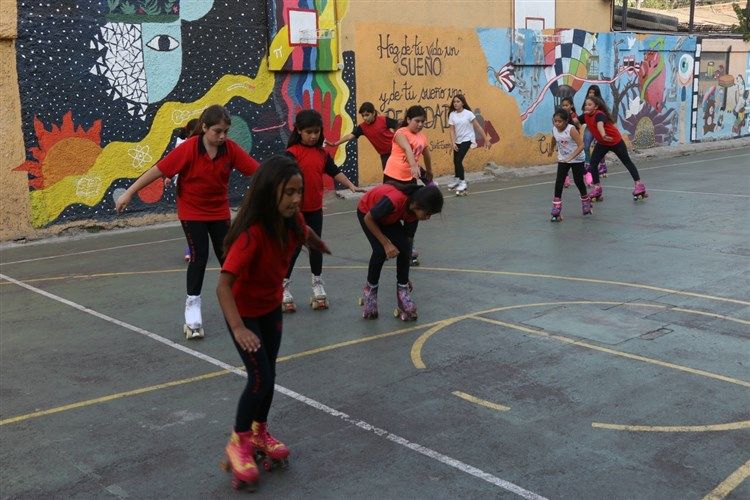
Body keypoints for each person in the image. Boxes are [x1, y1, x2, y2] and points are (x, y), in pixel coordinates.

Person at [216, 155, 331, 490]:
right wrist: (238, 328)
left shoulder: (293, 222)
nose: (296, 199)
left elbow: (305, 231)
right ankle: (238, 442)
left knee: (270, 375)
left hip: (270, 308)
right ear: (270, 192)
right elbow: (223, 286)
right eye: (289, 193)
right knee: (259, 378)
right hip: (244, 312)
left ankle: (259, 431)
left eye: (299, 192)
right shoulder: (251, 235)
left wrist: (318, 244)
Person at [115, 105, 259, 339]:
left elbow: (257, 171)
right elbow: (157, 171)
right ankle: (192, 308)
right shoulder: (189, 148)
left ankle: (241, 305)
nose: (222, 136)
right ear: (205, 127)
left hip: (218, 212)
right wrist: (129, 192)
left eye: (226, 131)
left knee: (228, 257)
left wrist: (280, 182)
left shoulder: (230, 150)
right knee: (199, 257)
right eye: (217, 131)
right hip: (192, 212)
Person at [283, 109, 365, 312]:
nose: (313, 136)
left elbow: (334, 171)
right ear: (299, 130)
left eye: (317, 132)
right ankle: (283, 286)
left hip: (314, 210)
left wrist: (351, 186)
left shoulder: (322, 154)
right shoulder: (292, 154)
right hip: (295, 211)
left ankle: (317, 283)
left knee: (315, 246)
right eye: (309, 132)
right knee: (293, 248)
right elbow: (282, 180)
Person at [357, 183, 443, 321]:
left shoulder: (413, 214)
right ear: (417, 205)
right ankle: (370, 294)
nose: (428, 218)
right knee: (380, 251)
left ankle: (402, 294)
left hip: (389, 217)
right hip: (368, 213)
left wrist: (404, 276)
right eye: (428, 213)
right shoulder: (396, 199)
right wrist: (386, 244)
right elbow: (369, 218)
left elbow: (407, 245)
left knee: (405, 246)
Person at [383, 105, 434, 266]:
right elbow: (407, 149)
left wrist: (429, 172)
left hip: (410, 180)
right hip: (393, 178)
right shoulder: (400, 133)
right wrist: (413, 165)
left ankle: (409, 247)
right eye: (417, 121)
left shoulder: (422, 137)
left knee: (412, 214)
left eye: (423, 121)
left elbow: (426, 154)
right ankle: (386, 244)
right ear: (408, 119)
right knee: (390, 213)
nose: (420, 124)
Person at [583, 96, 648, 201]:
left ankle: (639, 185)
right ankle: (597, 188)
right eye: (586, 104)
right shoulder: (585, 116)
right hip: (602, 143)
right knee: (593, 165)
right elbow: (574, 120)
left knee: (627, 162)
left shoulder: (599, 114)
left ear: (596, 107)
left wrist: (603, 134)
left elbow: (600, 125)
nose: (587, 106)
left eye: (589, 104)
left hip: (615, 142)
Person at [326, 102, 398, 169]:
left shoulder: (383, 120)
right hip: (384, 155)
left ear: (373, 113)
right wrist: (335, 144)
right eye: (363, 115)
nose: (365, 118)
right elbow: (349, 136)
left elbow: (399, 126)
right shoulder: (362, 128)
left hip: (397, 149)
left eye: (367, 115)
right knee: (388, 176)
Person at [549, 108, 591, 221]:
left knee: (578, 181)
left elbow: (582, 145)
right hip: (563, 159)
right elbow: (554, 138)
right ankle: (556, 206)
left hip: (577, 159)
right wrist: (551, 149)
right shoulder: (554, 129)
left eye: (559, 121)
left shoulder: (571, 129)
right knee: (559, 181)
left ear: (566, 121)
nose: (557, 124)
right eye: (555, 121)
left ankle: (585, 201)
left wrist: (572, 157)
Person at [447, 94, 491, 194]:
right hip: (457, 140)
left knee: (459, 160)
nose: (455, 103)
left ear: (463, 103)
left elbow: (478, 127)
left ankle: (462, 182)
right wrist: (453, 143)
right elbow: (452, 130)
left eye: (458, 101)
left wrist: (486, 140)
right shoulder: (452, 114)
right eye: (454, 102)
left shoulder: (469, 114)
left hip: (467, 139)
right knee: (455, 161)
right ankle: (457, 179)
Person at [581, 85, 607, 179]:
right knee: (586, 145)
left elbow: (603, 116)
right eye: (590, 92)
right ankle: (587, 164)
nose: (591, 94)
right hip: (589, 127)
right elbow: (583, 115)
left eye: (593, 93)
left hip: (598, 127)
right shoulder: (587, 102)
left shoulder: (600, 103)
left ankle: (602, 164)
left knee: (599, 147)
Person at [559, 97, 582, 189]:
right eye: (563, 105)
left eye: (566, 105)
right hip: (564, 142)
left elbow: (579, 126)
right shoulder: (560, 115)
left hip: (573, 142)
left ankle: (586, 175)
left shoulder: (574, 116)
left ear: (571, 106)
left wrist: (580, 135)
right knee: (563, 161)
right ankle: (566, 179)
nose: (564, 107)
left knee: (575, 162)